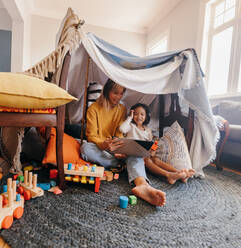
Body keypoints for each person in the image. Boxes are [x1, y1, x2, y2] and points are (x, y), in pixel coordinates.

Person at [80, 79, 170, 207]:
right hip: (102, 148)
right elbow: (91, 136)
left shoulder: (122, 109)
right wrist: (105, 145)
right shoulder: (93, 109)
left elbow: (120, 133)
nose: (119, 97)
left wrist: (120, 149)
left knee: (135, 151)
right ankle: (124, 165)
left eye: (121, 93)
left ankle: (142, 185)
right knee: (85, 148)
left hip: (117, 150)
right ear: (107, 91)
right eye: (115, 93)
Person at [119, 103, 195, 184]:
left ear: (146, 116)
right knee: (148, 160)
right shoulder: (130, 126)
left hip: (144, 155)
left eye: (142, 114)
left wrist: (152, 151)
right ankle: (169, 175)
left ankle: (179, 172)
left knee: (156, 159)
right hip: (133, 156)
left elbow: (151, 144)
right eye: (136, 114)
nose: (139, 117)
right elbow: (122, 129)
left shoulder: (148, 130)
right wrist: (129, 118)